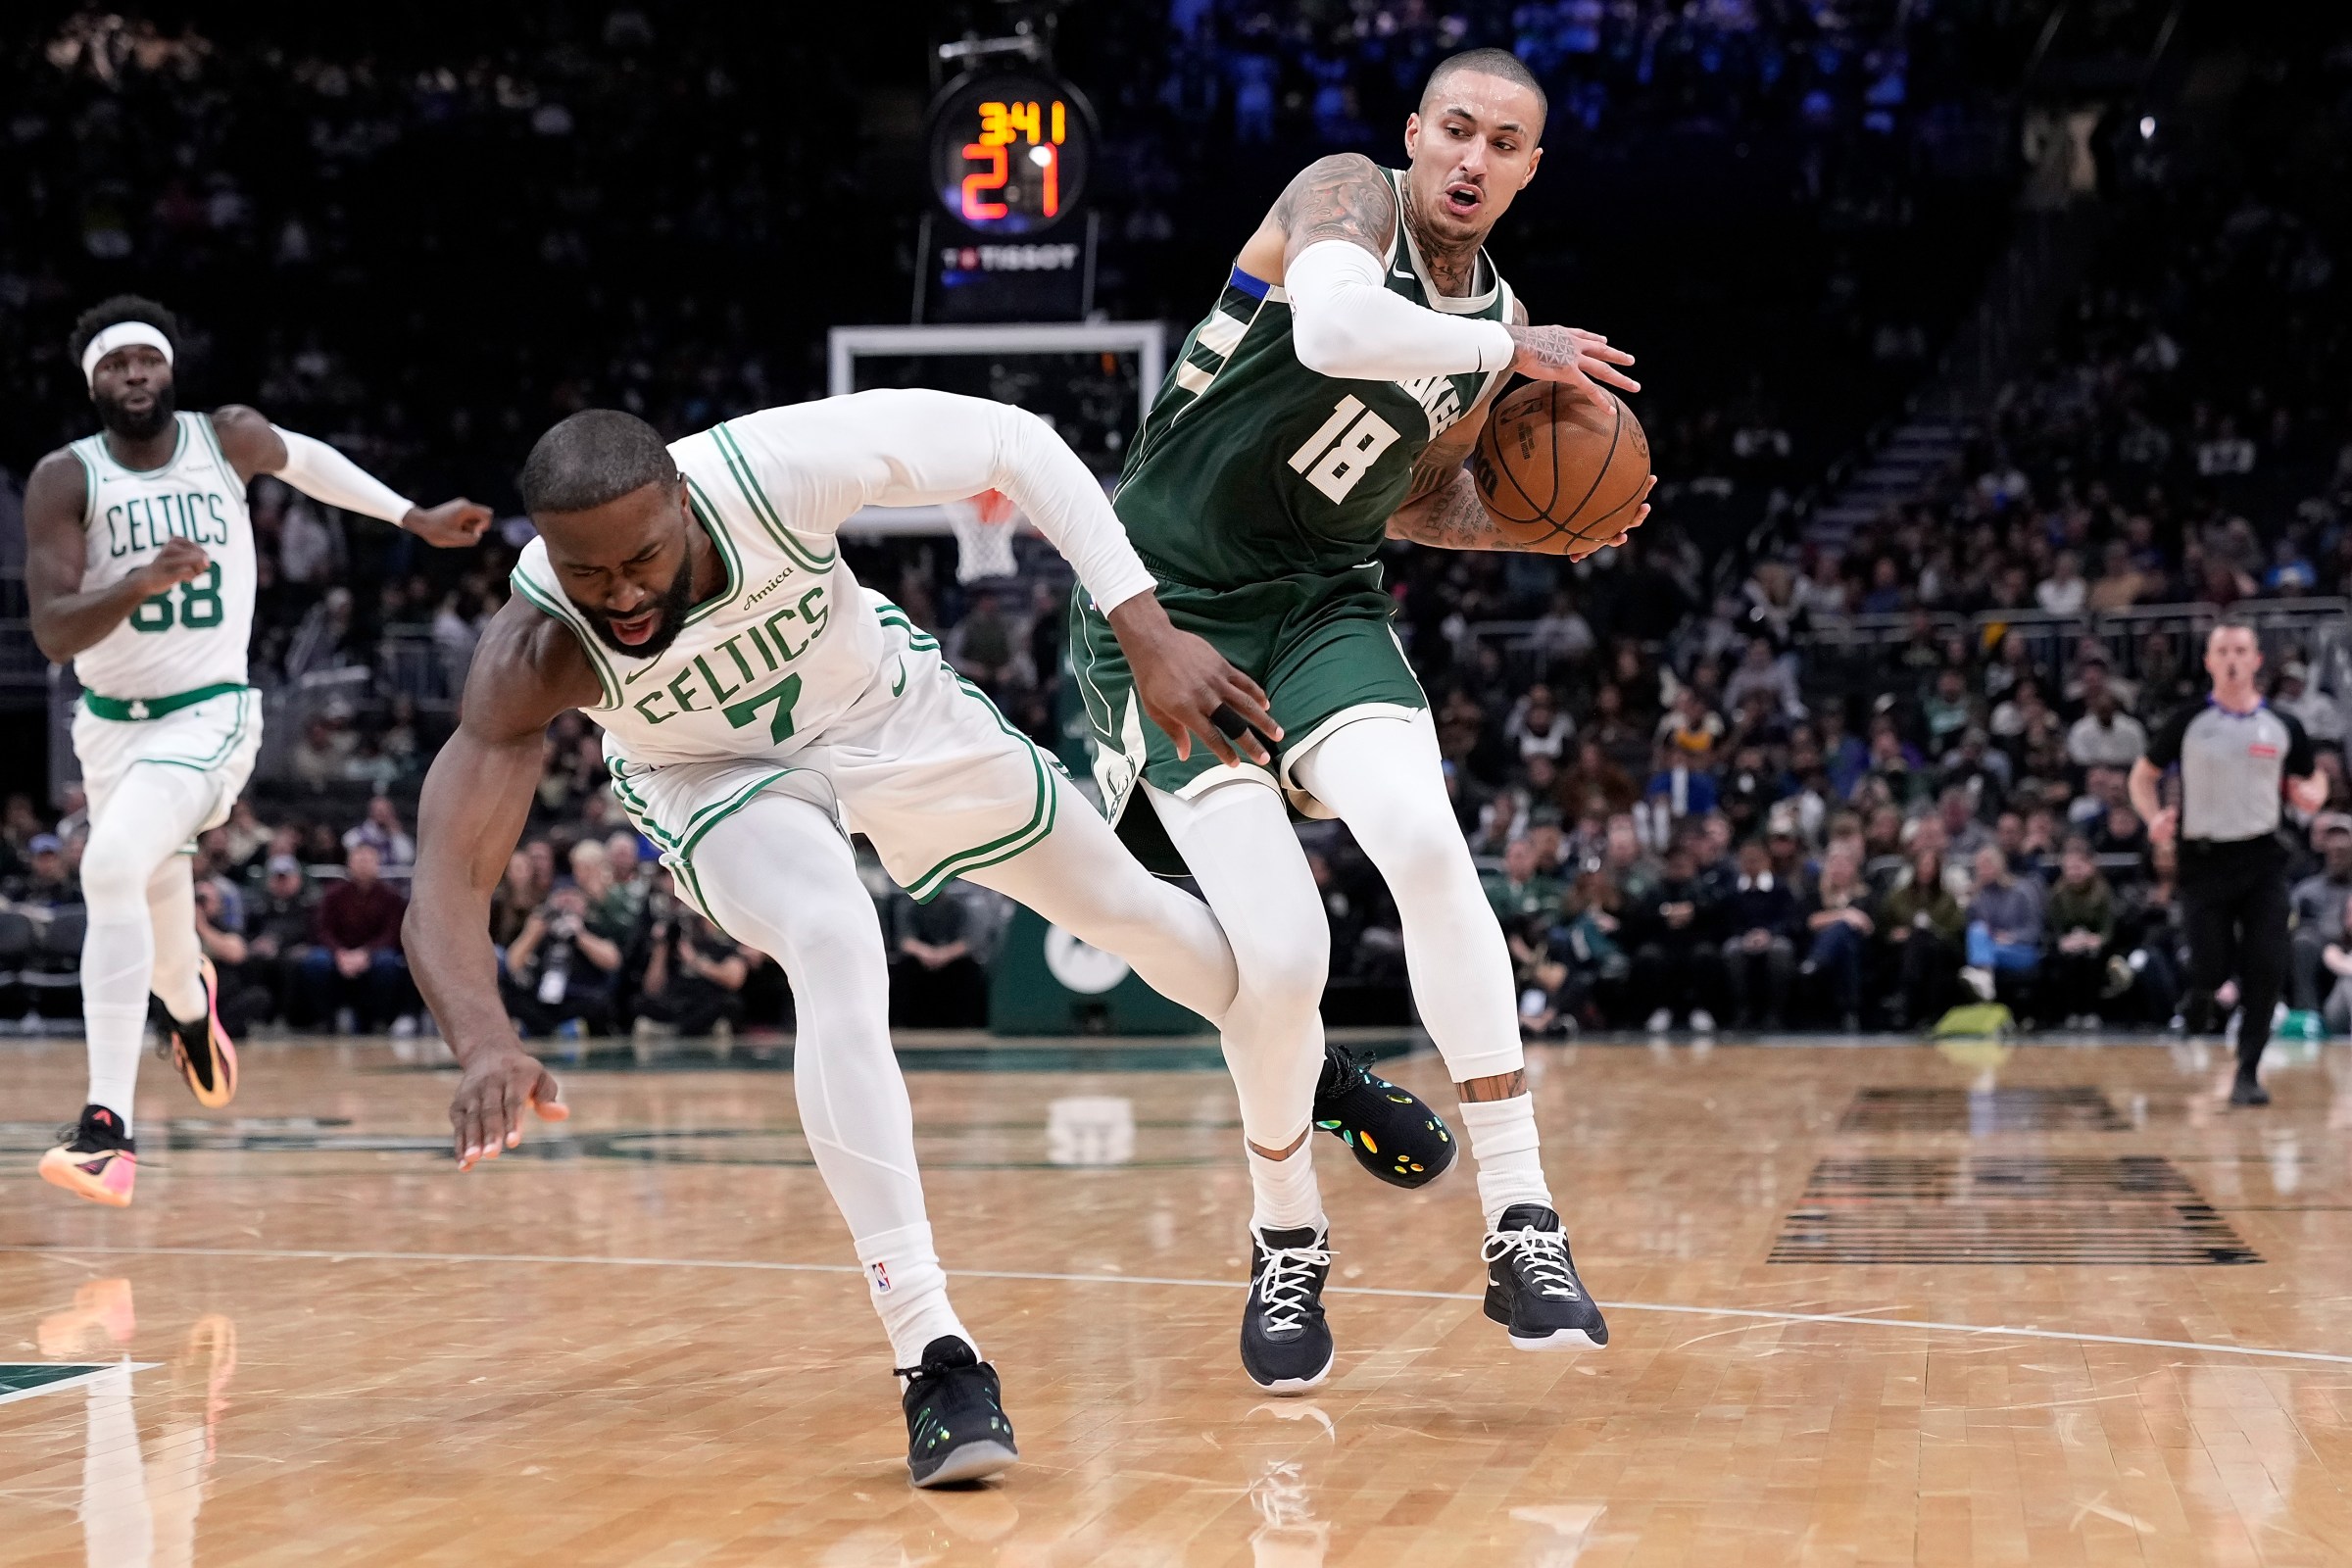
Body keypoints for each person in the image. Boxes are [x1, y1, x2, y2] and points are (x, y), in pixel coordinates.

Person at [402, 393, 1439, 1490]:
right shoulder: (536, 648)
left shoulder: (779, 472)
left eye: (642, 560)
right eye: (587, 573)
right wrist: (483, 1041)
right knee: (833, 935)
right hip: (712, 778)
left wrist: (1144, 625)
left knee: (1131, 912)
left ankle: (1299, 1065)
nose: (620, 594)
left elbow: (1017, 444)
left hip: (886, 715)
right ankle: (933, 1350)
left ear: (685, 505)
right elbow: (447, 873)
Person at [1069, 48, 1642, 1375]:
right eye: (1456, 129)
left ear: (1528, 169)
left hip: (1322, 602)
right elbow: (1329, 332)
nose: (1471, 159)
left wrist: (1533, 531)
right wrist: (1512, 350)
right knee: (1279, 959)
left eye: (1504, 143)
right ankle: (1287, 1241)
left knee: (1429, 844)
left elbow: (1404, 494)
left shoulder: (1491, 323)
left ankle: (1520, 1218)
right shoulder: (1346, 199)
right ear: (1415, 130)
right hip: (1165, 607)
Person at [29, 294, 488, 1206]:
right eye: (116, 365)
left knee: (110, 866)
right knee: (159, 949)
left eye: (146, 361)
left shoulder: (225, 437)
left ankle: (106, 1132)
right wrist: (138, 582)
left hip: (210, 714)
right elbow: (51, 633)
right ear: (94, 384)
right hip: (111, 727)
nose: (134, 376)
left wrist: (410, 517)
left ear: (167, 369)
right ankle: (193, 1014)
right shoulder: (65, 478)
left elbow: (307, 461)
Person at [2130, 618, 2328, 1104]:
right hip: (2203, 861)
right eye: (2224, 651)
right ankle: (2199, 998)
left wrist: (2311, 796)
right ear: (2209, 662)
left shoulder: (2282, 725)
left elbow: (2314, 778)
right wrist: (2155, 819)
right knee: (2211, 966)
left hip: (2262, 858)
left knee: (2266, 963)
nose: (2233, 659)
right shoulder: (2189, 721)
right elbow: (2142, 776)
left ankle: (2248, 1071)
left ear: (2257, 660)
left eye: (2242, 650)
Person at [298, 844, 411, 1032]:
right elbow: (323, 929)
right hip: (339, 952)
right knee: (315, 962)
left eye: (368, 860)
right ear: (349, 863)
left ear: (378, 864)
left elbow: (392, 933)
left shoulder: (391, 897)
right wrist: (340, 953)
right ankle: (324, 1020)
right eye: (359, 860)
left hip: (374, 953)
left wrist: (365, 954)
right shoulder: (333, 894)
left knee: (387, 963)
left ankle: (379, 1020)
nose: (363, 865)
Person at [1879, 842, 1965, 1027]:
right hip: (1904, 949)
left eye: (1930, 866)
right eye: (1923, 865)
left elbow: (1954, 929)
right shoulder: (1898, 896)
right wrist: (1895, 933)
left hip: (1941, 948)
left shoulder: (1947, 899)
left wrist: (1928, 932)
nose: (1926, 870)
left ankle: (1907, 998)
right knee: (1917, 941)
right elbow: (1884, 925)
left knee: (1925, 942)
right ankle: (1916, 1006)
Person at [1719, 839, 1798, 1029]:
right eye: (1746, 860)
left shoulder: (1780, 887)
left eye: (1755, 860)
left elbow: (1790, 920)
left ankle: (1775, 1012)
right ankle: (1743, 1009)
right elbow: (1728, 921)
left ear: (1766, 861)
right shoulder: (1732, 890)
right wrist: (1746, 936)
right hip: (1743, 938)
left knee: (1781, 951)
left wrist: (1768, 934)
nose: (1751, 865)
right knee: (1732, 950)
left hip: (1774, 937)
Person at [2043, 837, 2118, 1027]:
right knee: (2070, 960)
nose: (2075, 871)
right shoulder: (2057, 894)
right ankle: (2072, 1012)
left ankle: (2092, 1011)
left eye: (2079, 866)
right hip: (2069, 942)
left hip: (2096, 942)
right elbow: (2053, 927)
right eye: (2070, 867)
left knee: (2093, 960)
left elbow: (2108, 926)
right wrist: (2063, 941)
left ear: (2090, 866)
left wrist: (2097, 940)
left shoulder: (2103, 892)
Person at [1797, 845, 1875, 1030]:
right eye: (1834, 864)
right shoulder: (1815, 894)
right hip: (1826, 948)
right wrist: (1845, 914)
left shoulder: (1866, 896)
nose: (1838, 869)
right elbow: (1810, 921)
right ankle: (1849, 1011)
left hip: (1862, 952)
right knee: (1843, 933)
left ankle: (1816, 962)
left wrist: (1838, 919)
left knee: (1845, 936)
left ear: (1854, 868)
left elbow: (1868, 925)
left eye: (1844, 864)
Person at [1961, 845, 2044, 1012]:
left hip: (2021, 949)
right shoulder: (1981, 895)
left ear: (1999, 865)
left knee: (1980, 953)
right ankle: (1984, 979)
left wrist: (2012, 937)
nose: (1982, 871)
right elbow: (1975, 929)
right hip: (1992, 949)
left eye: (1987, 866)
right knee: (1976, 929)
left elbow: (2034, 931)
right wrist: (1971, 898)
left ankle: (1982, 981)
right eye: (1979, 868)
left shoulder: (2022, 890)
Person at [2286, 815, 2352, 1019]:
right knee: (2303, 942)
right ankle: (2308, 1017)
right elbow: (2289, 925)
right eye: (2333, 845)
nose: (2337, 850)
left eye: (2343, 845)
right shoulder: (2307, 890)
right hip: (2314, 953)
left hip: (2348, 953)